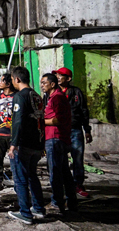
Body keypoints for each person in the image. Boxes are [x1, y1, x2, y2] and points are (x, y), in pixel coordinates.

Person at [7, 66, 46, 225]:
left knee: (20, 179)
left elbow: (17, 121)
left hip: (24, 145)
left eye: (12, 79)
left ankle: (25, 213)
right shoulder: (37, 95)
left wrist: (13, 144)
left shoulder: (20, 96)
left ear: (16, 79)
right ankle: (38, 208)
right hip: (37, 144)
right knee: (32, 176)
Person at [41, 73, 78, 213]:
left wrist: (39, 122)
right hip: (58, 139)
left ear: (52, 84)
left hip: (55, 139)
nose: (42, 85)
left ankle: (57, 203)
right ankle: (71, 201)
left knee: (55, 172)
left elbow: (57, 119)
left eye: (44, 83)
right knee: (64, 172)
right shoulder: (53, 98)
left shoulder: (57, 98)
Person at [53, 67, 92, 198]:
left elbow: (84, 111)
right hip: (59, 131)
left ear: (68, 79)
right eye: (57, 75)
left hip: (75, 130)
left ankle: (78, 185)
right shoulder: (53, 92)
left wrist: (87, 130)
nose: (58, 77)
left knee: (78, 159)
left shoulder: (76, 92)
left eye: (61, 75)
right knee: (60, 160)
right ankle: (63, 185)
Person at [0, 73, 16, 191]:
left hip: (12, 134)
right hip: (0, 133)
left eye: (2, 81)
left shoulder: (17, 97)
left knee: (15, 159)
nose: (0, 83)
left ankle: (17, 180)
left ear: (8, 83)